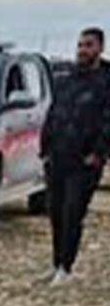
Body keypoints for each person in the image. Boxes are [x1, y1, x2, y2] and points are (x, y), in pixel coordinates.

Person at [42, 27, 110, 285]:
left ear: (100, 48)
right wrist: (45, 148)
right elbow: (53, 113)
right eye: (80, 45)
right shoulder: (67, 79)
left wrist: (98, 153)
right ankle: (56, 263)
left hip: (85, 161)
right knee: (56, 213)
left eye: (88, 45)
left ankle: (66, 268)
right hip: (58, 156)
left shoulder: (105, 82)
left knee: (73, 213)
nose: (83, 50)